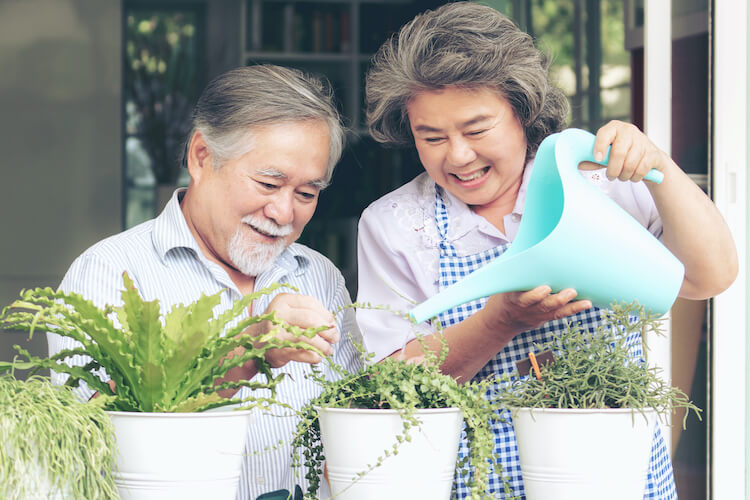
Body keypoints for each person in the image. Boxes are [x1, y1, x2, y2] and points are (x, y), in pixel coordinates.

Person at [356, 3, 738, 499]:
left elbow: (710, 277)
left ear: (523, 109)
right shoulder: (395, 225)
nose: (458, 155)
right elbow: (387, 385)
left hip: (615, 479)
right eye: (431, 137)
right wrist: (498, 322)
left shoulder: (595, 184)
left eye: (476, 130)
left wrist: (655, 165)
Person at [47, 64, 362, 500]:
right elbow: (90, 446)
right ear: (201, 156)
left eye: (307, 194)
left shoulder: (320, 277)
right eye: (269, 183)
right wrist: (250, 348)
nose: (284, 213)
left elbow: (355, 431)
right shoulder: (109, 272)